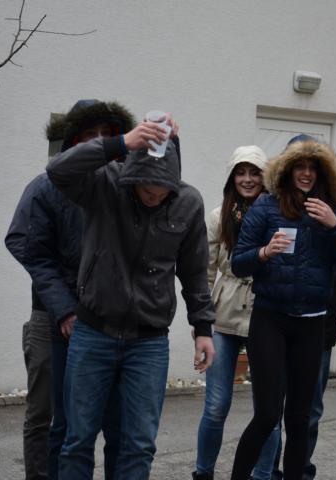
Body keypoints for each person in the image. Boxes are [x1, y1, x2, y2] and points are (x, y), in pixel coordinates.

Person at [46, 116, 216, 480]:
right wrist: (121, 143)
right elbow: (57, 170)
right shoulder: (105, 184)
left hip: (149, 342)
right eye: (147, 192)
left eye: (162, 193)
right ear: (132, 177)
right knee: (77, 440)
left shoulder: (189, 202)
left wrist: (203, 327)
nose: (155, 199)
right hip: (93, 333)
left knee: (139, 445)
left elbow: (194, 270)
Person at [5, 99, 135, 479]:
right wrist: (64, 307)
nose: (98, 141)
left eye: (106, 135)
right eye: (89, 135)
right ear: (72, 141)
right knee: (47, 416)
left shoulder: (124, 184)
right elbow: (24, 244)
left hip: (106, 321)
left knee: (105, 421)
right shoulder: (46, 186)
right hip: (51, 317)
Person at [229, 137, 336, 480]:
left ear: (323, 174)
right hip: (270, 320)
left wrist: (335, 227)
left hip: (311, 323)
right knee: (267, 414)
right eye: (299, 167)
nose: (306, 173)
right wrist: (264, 253)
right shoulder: (266, 207)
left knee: (300, 419)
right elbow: (238, 264)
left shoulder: (334, 213)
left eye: (312, 168)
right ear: (287, 171)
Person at [192, 145, 280, 480]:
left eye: (255, 172)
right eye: (240, 172)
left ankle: (262, 475)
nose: (247, 179)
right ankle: (203, 472)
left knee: (268, 411)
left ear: (265, 177)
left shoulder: (278, 213)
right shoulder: (219, 216)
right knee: (216, 405)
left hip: (266, 314)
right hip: (224, 315)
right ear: (231, 177)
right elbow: (205, 270)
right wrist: (201, 319)